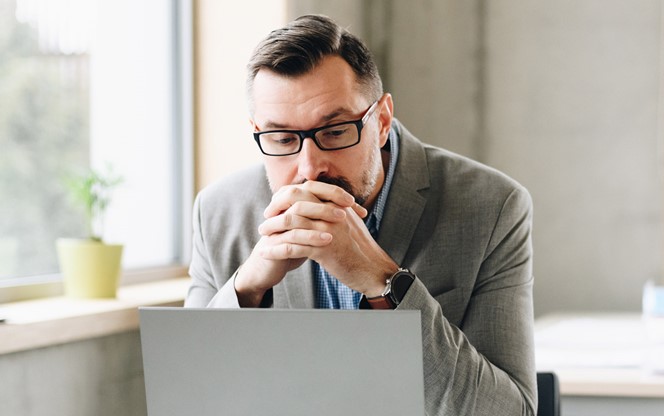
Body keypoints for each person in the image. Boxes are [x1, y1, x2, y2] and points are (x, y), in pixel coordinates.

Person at [185, 14, 537, 415]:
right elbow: (190, 401)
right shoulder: (217, 213)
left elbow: (511, 411)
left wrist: (382, 280)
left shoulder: (492, 207)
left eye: (334, 132)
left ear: (382, 121)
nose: (308, 168)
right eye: (282, 138)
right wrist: (247, 288)